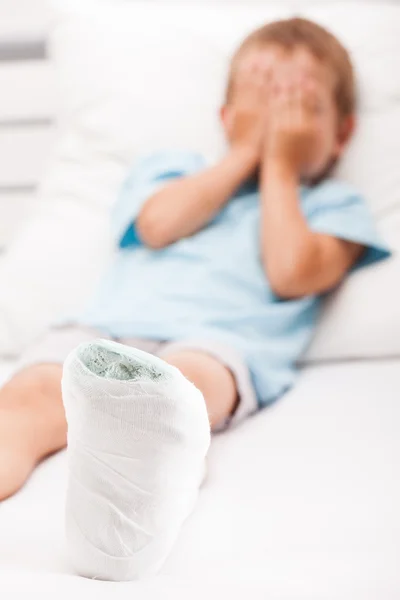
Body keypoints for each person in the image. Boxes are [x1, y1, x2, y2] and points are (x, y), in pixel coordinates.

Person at [0, 18, 390, 580]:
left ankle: (129, 492)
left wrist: (278, 162)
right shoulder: (173, 169)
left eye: (300, 102)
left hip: (219, 345)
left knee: (182, 390)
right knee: (29, 396)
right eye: (261, 93)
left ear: (343, 133)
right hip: (105, 327)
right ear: (226, 117)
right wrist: (246, 154)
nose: (277, 111)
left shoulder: (333, 207)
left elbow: (291, 273)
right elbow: (158, 225)